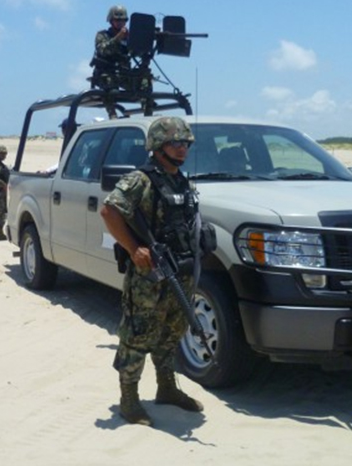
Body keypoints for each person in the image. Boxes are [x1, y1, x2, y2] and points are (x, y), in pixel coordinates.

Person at [100, 116, 205, 426]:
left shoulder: (182, 181)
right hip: (150, 276)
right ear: (158, 146)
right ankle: (129, 398)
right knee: (138, 334)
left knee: (172, 332)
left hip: (180, 271)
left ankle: (167, 388)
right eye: (176, 143)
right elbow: (109, 210)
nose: (183, 149)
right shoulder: (140, 180)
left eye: (186, 143)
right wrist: (134, 249)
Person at [91, 5, 131, 118]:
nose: (120, 23)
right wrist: (118, 38)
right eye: (117, 20)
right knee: (109, 85)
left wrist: (139, 42)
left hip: (123, 74)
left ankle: (148, 111)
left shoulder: (128, 38)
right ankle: (112, 114)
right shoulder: (102, 35)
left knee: (144, 83)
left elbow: (135, 53)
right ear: (111, 21)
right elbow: (103, 50)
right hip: (105, 73)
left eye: (123, 20)